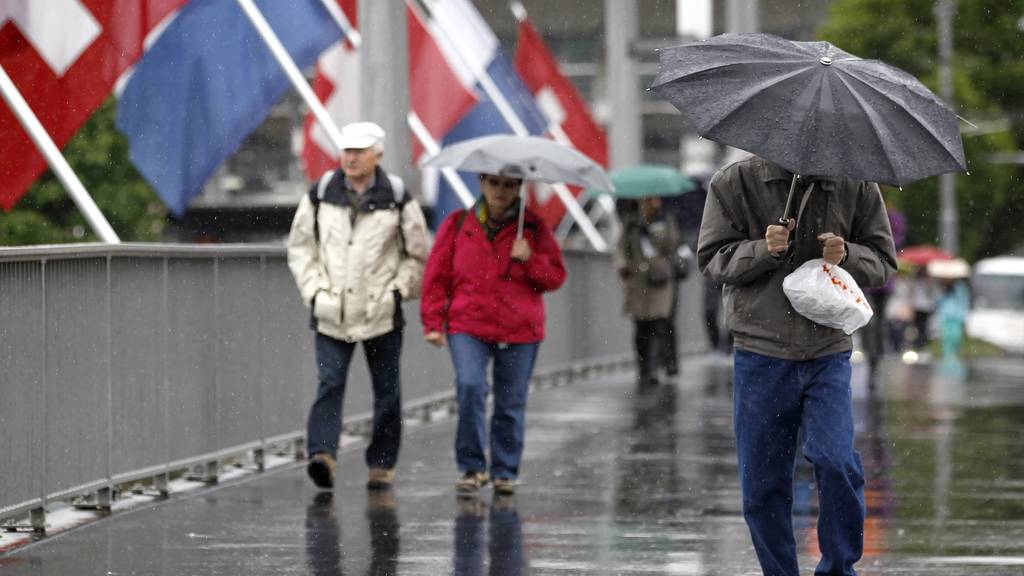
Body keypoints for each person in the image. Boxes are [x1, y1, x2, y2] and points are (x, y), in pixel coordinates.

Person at [697, 156, 897, 576]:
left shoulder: (855, 183)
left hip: (827, 349)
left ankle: (839, 568)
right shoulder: (734, 182)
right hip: (759, 350)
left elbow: (882, 263)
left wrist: (847, 255)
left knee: (835, 461)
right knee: (763, 485)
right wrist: (761, 251)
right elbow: (712, 259)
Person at [287, 121, 430, 491]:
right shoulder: (321, 193)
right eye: (346, 150)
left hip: (381, 312)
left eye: (359, 151)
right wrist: (315, 293)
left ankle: (381, 464)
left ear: (377, 154)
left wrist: (398, 292)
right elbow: (300, 247)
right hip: (332, 310)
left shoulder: (396, 196)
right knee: (329, 383)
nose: (350, 158)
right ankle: (322, 455)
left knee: (387, 391)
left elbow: (416, 252)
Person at [420, 173, 566, 496]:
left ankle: (504, 471)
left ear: (519, 188)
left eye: (509, 184)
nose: (501, 191)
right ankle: (471, 467)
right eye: (494, 183)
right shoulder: (458, 224)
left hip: (520, 328)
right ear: (482, 183)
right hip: (468, 324)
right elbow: (436, 276)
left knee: (510, 402)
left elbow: (555, 277)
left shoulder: (534, 229)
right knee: (470, 386)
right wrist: (432, 323)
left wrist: (530, 259)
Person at [615, 196, 681, 387]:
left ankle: (653, 368)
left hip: (659, 280)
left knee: (658, 325)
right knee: (640, 327)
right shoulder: (630, 222)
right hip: (637, 282)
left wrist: (652, 233)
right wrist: (622, 266)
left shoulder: (664, 219)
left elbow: (671, 244)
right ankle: (643, 367)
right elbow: (621, 249)